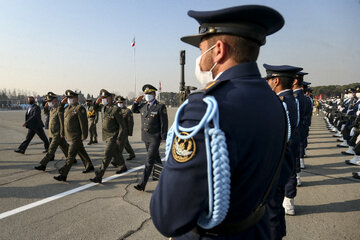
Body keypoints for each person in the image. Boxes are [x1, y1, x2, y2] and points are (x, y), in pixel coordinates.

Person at [150, 5, 286, 239]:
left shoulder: (205, 108)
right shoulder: (273, 100)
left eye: (202, 49)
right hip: (257, 230)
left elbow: (168, 217)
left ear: (219, 50)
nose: (200, 58)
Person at [264, 64, 302, 239]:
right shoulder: (291, 99)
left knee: (271, 210)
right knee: (276, 207)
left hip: (277, 159)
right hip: (286, 155)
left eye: (270, 79)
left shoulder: (281, 103)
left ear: (276, 80)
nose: (268, 83)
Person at [132, 84, 168, 191]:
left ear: (154, 94)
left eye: (150, 93)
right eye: (146, 93)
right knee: (156, 158)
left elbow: (164, 123)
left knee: (149, 161)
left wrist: (163, 136)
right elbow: (134, 110)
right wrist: (136, 101)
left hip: (155, 137)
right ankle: (163, 176)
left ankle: (142, 184)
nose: (147, 95)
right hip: (146, 137)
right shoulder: (143, 105)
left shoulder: (160, 106)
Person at [53, 90, 94, 182]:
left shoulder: (80, 108)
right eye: (68, 98)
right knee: (81, 151)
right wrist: (61, 103)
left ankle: (63, 175)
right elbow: (59, 111)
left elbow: (84, 123)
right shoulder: (67, 108)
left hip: (77, 136)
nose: (68, 100)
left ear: (76, 98)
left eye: (70, 98)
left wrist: (84, 135)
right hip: (70, 135)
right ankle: (89, 165)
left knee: (70, 156)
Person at [89, 89, 127, 183]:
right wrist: (96, 101)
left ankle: (99, 175)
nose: (103, 99)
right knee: (116, 152)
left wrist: (119, 138)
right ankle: (123, 166)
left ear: (110, 98)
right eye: (102, 97)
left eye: (105, 97)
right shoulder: (103, 107)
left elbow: (122, 126)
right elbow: (94, 108)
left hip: (113, 136)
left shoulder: (116, 109)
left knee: (107, 155)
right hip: (106, 135)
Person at [115, 96, 135, 160]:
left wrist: (130, 132)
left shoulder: (127, 111)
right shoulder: (115, 110)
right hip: (117, 130)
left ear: (124, 102)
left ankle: (116, 160)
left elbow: (130, 122)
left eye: (121, 102)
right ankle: (132, 154)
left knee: (120, 146)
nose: (119, 103)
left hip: (124, 131)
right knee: (126, 143)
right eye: (118, 102)